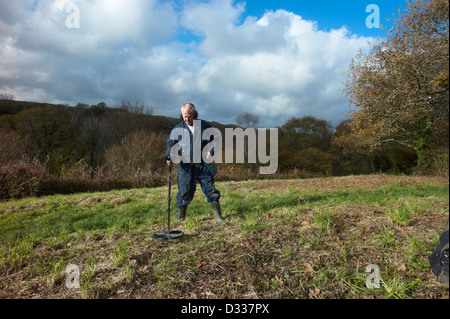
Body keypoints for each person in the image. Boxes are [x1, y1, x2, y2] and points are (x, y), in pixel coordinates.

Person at [165, 103, 225, 225]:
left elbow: (216, 138)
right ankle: (181, 219)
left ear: (194, 114)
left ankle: (218, 218)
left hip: (204, 164)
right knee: (184, 192)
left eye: (189, 116)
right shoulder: (177, 129)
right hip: (186, 166)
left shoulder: (204, 125)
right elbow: (170, 145)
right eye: (184, 117)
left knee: (211, 190)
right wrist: (168, 156)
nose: (187, 119)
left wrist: (211, 150)